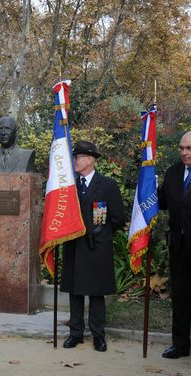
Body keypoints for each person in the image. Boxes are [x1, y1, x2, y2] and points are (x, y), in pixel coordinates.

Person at [60, 141, 125, 352]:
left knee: (96, 293)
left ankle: (98, 335)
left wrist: (101, 233)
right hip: (74, 245)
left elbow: (117, 218)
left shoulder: (107, 185)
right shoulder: (69, 186)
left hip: (96, 245)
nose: (75, 161)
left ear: (89, 160)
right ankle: (75, 333)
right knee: (75, 291)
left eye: (78, 157)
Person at [157, 130, 191, 366]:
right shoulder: (173, 172)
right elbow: (163, 201)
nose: (184, 152)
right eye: (181, 148)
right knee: (180, 299)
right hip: (179, 247)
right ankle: (180, 344)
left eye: (189, 148)